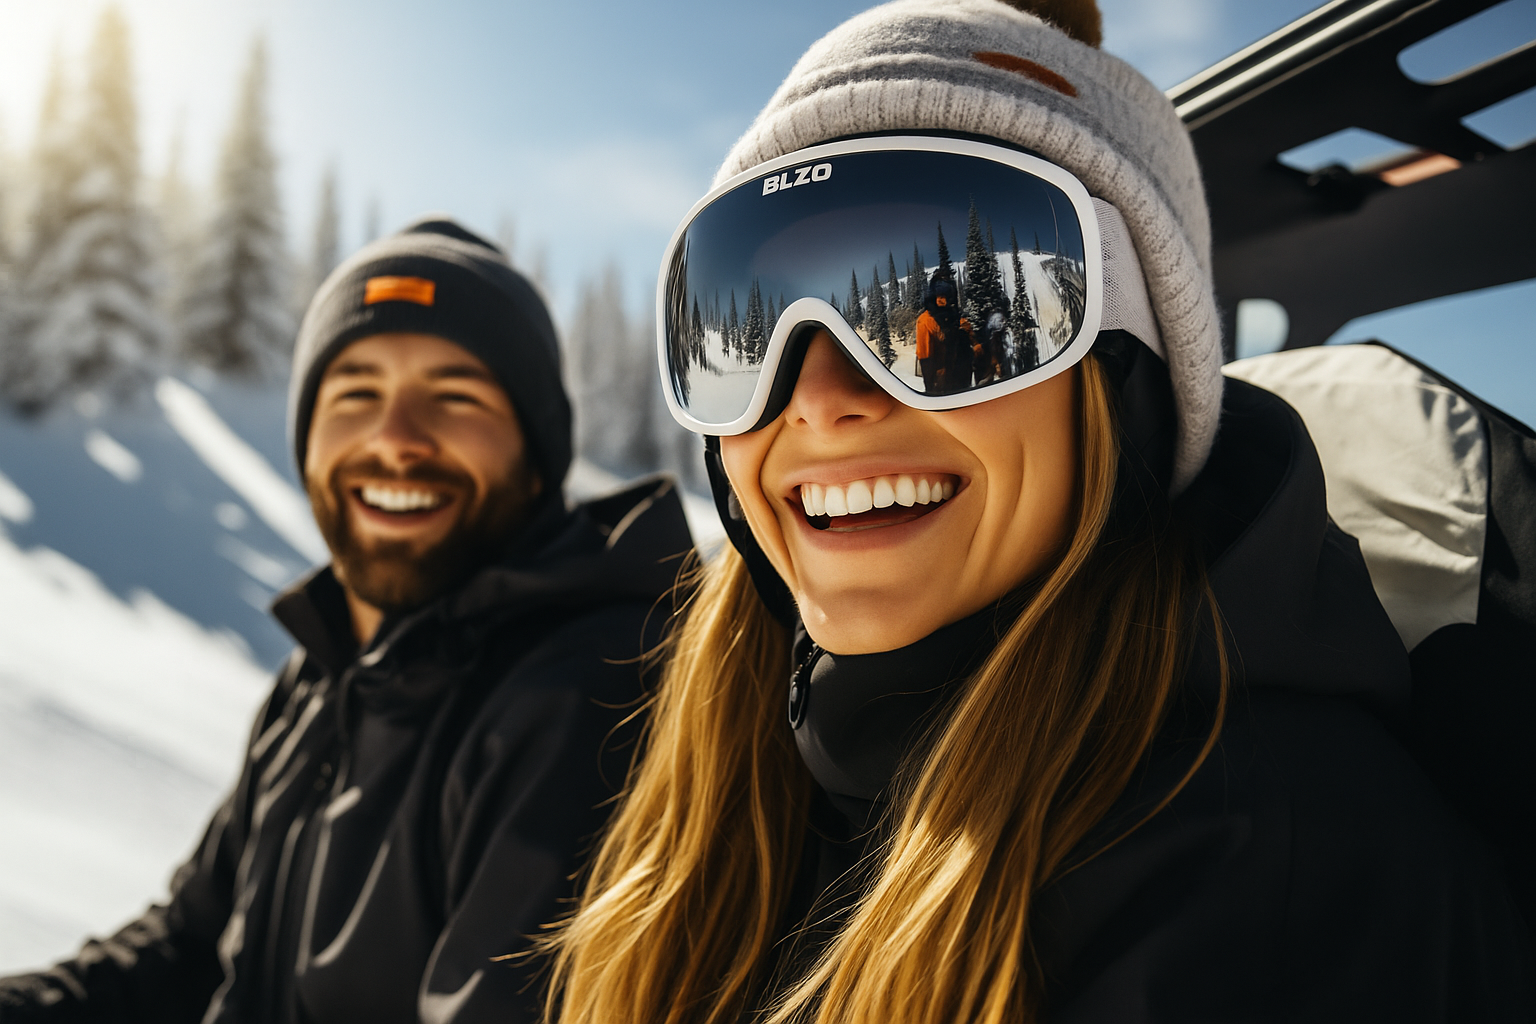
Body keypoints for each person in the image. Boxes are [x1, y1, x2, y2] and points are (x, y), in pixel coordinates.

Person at [541, 2, 1535, 1023]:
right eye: (746, 324)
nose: (819, 395)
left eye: (948, 316)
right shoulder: (739, 766)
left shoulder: (1281, 890)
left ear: (1128, 385)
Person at [0, 218, 693, 1023]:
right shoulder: (327, 674)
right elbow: (189, 945)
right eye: (357, 393)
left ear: (536, 456)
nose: (395, 440)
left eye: (454, 396)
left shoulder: (587, 693)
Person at [914, 275, 974, 394]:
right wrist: (932, 385)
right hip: (941, 382)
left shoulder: (954, 317)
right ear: (933, 296)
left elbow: (969, 335)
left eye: (946, 297)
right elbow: (925, 356)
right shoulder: (925, 321)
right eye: (940, 296)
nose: (944, 301)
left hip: (961, 379)